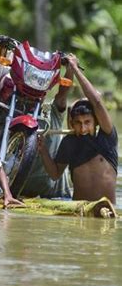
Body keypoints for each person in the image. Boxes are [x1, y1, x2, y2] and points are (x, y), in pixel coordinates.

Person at [39, 54, 118, 204]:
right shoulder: (69, 143)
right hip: (79, 211)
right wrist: (43, 151)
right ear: (71, 123)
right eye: (78, 123)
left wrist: (75, 69)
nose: (82, 128)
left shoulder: (107, 136)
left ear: (96, 122)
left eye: (87, 122)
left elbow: (97, 102)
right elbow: (55, 174)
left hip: (109, 210)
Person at [21, 65, 74, 198]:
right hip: (20, 191)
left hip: (56, 193)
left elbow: (62, 95)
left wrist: (70, 69)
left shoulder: (52, 111)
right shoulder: (17, 111)